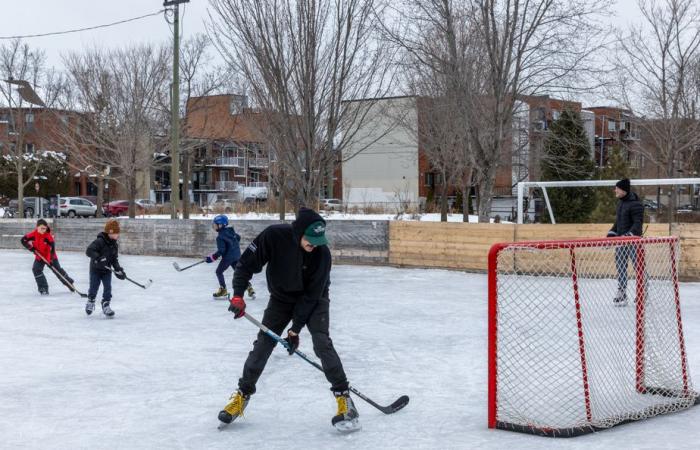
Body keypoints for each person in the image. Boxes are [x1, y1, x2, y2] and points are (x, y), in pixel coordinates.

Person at [219, 207, 358, 431]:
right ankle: (241, 396)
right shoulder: (273, 236)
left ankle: (344, 399)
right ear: (297, 232)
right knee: (263, 343)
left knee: (321, 342)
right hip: (281, 298)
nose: (315, 245)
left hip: (314, 298)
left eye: (318, 240)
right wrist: (237, 295)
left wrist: (295, 330)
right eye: (310, 239)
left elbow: (312, 295)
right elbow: (246, 265)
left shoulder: (322, 254)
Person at [607, 178, 644, 306]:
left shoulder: (636, 204)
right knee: (621, 267)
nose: (615, 190)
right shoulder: (621, 203)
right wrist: (611, 234)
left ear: (623, 190)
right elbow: (618, 223)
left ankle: (642, 291)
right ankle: (622, 292)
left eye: (617, 188)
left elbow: (637, 224)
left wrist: (629, 235)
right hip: (621, 241)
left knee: (638, 267)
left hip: (634, 242)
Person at [20, 219, 76, 295]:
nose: (43, 230)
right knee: (36, 269)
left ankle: (69, 284)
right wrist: (31, 248)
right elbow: (23, 240)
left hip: (50, 256)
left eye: (45, 228)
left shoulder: (48, 237)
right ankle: (43, 288)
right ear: (37, 227)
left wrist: (50, 261)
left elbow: (51, 250)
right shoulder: (33, 234)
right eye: (41, 228)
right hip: (39, 256)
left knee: (57, 270)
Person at [85, 219, 126, 317]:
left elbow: (114, 259)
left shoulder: (114, 244)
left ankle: (106, 304)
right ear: (110, 232)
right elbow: (89, 251)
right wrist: (98, 258)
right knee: (94, 287)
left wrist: (118, 270)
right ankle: (91, 301)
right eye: (116, 233)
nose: (118, 235)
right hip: (95, 269)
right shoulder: (99, 241)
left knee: (108, 288)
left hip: (107, 270)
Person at [205, 214, 244, 299]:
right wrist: (232, 247)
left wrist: (211, 258)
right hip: (237, 255)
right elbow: (238, 238)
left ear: (221, 225)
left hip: (228, 258)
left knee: (219, 272)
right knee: (238, 272)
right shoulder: (231, 231)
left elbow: (221, 251)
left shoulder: (220, 237)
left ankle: (223, 290)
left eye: (215, 225)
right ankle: (249, 287)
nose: (214, 227)